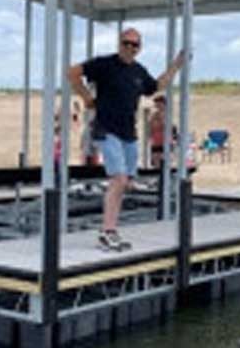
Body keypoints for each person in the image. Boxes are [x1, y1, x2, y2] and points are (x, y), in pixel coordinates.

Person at [69, 27, 187, 252]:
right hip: (106, 129)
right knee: (119, 179)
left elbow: (156, 86)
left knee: (127, 182)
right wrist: (86, 98)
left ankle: (110, 226)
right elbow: (72, 72)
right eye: (126, 43)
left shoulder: (138, 71)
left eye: (135, 45)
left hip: (128, 134)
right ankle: (108, 231)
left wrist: (176, 66)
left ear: (139, 48)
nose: (130, 48)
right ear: (119, 43)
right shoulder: (104, 64)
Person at [148, 95, 177, 168]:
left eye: (159, 104)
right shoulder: (153, 115)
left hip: (166, 142)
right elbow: (151, 127)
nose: (157, 106)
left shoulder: (167, 115)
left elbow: (167, 126)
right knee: (156, 163)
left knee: (165, 163)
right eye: (156, 104)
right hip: (156, 142)